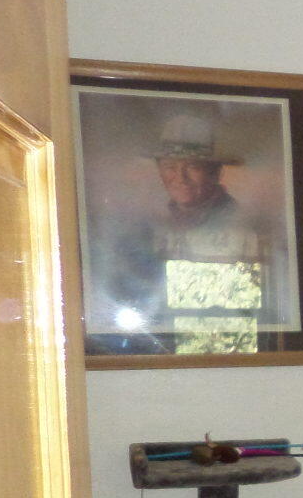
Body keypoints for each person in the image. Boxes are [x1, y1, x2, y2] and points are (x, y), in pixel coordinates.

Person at [99, 114, 271, 334]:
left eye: (192, 167)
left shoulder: (246, 229)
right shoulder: (145, 232)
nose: (180, 178)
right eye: (170, 166)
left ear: (215, 172)